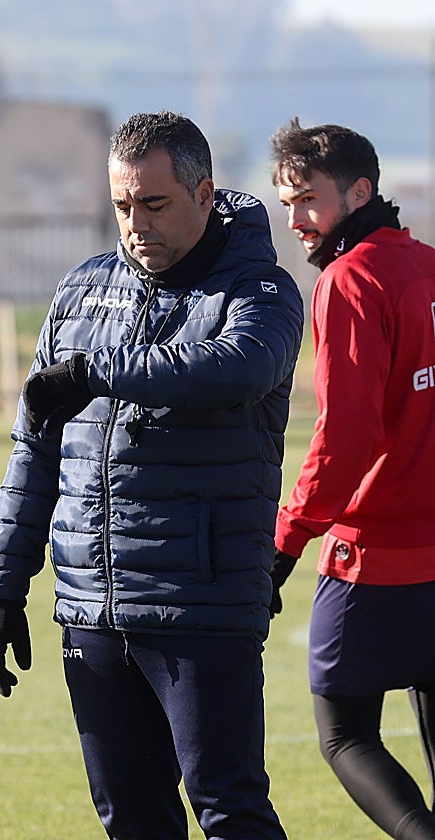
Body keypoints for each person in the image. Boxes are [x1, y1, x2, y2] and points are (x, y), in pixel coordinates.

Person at [0, 111, 303, 839]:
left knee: (229, 808)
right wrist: (0, 585)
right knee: (130, 820)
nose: (135, 223)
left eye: (154, 204)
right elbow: (33, 451)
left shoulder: (261, 291)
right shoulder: (82, 291)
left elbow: (232, 370)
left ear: (205, 194)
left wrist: (97, 373)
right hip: (91, 611)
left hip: (201, 607)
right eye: (122, 205)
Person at [268, 118, 435, 839]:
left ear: (360, 191)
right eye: (286, 203)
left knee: (344, 736)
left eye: (308, 199)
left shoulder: (349, 279)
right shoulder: (428, 263)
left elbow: (348, 437)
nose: (297, 220)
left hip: (373, 562)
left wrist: (284, 544)